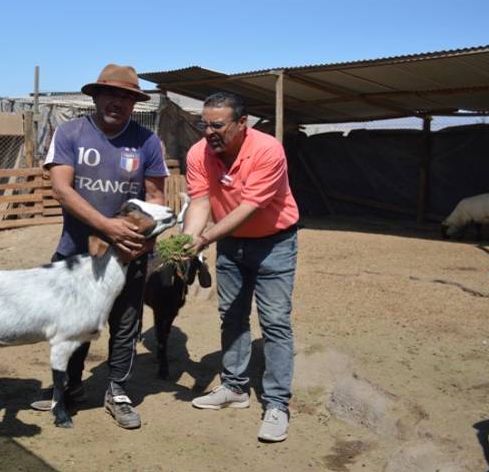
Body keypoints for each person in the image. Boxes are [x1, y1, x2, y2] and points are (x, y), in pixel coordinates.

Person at [37, 63, 168, 429]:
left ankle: (118, 390)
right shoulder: (70, 132)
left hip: (130, 252)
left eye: (127, 97)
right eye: (111, 93)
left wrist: (145, 240)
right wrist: (107, 226)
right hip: (76, 251)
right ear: (94, 95)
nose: (118, 102)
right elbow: (62, 188)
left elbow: (156, 195)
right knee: (73, 322)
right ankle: (70, 387)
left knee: (125, 322)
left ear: (134, 103)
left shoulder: (147, 142)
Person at [181, 91, 299, 442]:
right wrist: (188, 239)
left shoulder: (267, 150)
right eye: (205, 124)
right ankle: (234, 388)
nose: (209, 132)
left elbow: (248, 207)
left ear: (241, 123)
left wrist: (205, 239)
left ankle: (277, 403)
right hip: (232, 244)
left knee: (275, 321)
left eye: (218, 125)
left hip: (274, 243)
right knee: (231, 315)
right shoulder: (198, 153)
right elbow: (200, 201)